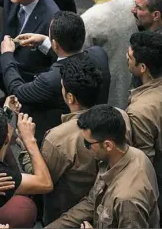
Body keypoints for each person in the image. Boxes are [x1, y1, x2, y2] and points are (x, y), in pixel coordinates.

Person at [41, 56, 132, 225]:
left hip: (66, 216)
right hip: (107, 211)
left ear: (70, 97)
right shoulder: (121, 116)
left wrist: (26, 144)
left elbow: (42, 179)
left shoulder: (57, 138)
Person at [46, 105, 160, 228]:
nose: (86, 147)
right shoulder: (122, 157)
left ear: (108, 145)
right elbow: (92, 202)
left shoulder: (127, 199)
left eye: (88, 143)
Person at [5, 11, 111, 142]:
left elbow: (17, 90)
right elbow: (70, 56)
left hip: (60, 139)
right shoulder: (99, 54)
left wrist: (7, 55)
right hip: (98, 126)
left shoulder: (51, 79)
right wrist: (44, 41)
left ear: (55, 44)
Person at [75, 0, 138, 109]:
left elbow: (80, 60)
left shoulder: (87, 20)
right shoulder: (129, 0)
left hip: (109, 90)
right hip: (136, 79)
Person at [125, 31, 162, 223]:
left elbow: (144, 164)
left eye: (130, 57)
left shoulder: (139, 112)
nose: (126, 57)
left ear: (143, 67)